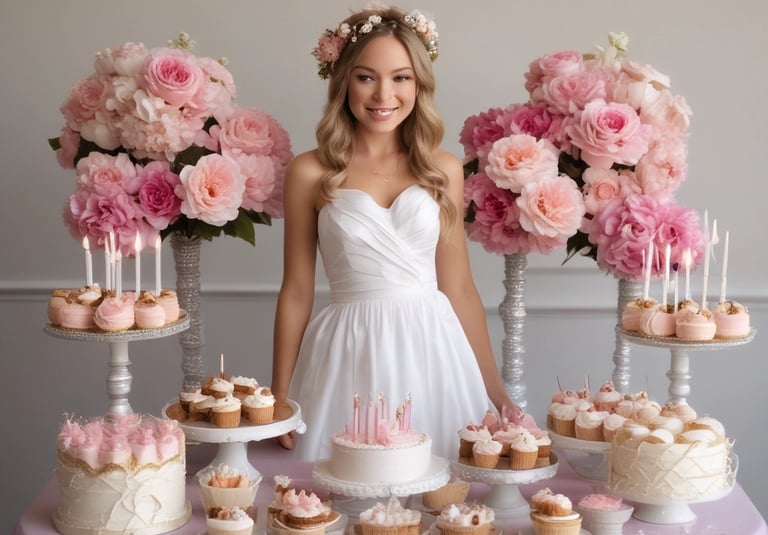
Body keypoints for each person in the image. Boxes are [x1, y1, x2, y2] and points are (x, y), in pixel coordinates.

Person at [270, 5, 524, 461]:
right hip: (349, 354)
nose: (383, 94)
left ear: (419, 84)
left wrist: (497, 393)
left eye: (401, 77)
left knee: (441, 486)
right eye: (366, 77)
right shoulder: (309, 172)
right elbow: (297, 290)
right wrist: (279, 395)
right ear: (343, 80)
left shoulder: (442, 169)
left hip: (434, 353)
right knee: (347, 482)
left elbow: (459, 288)